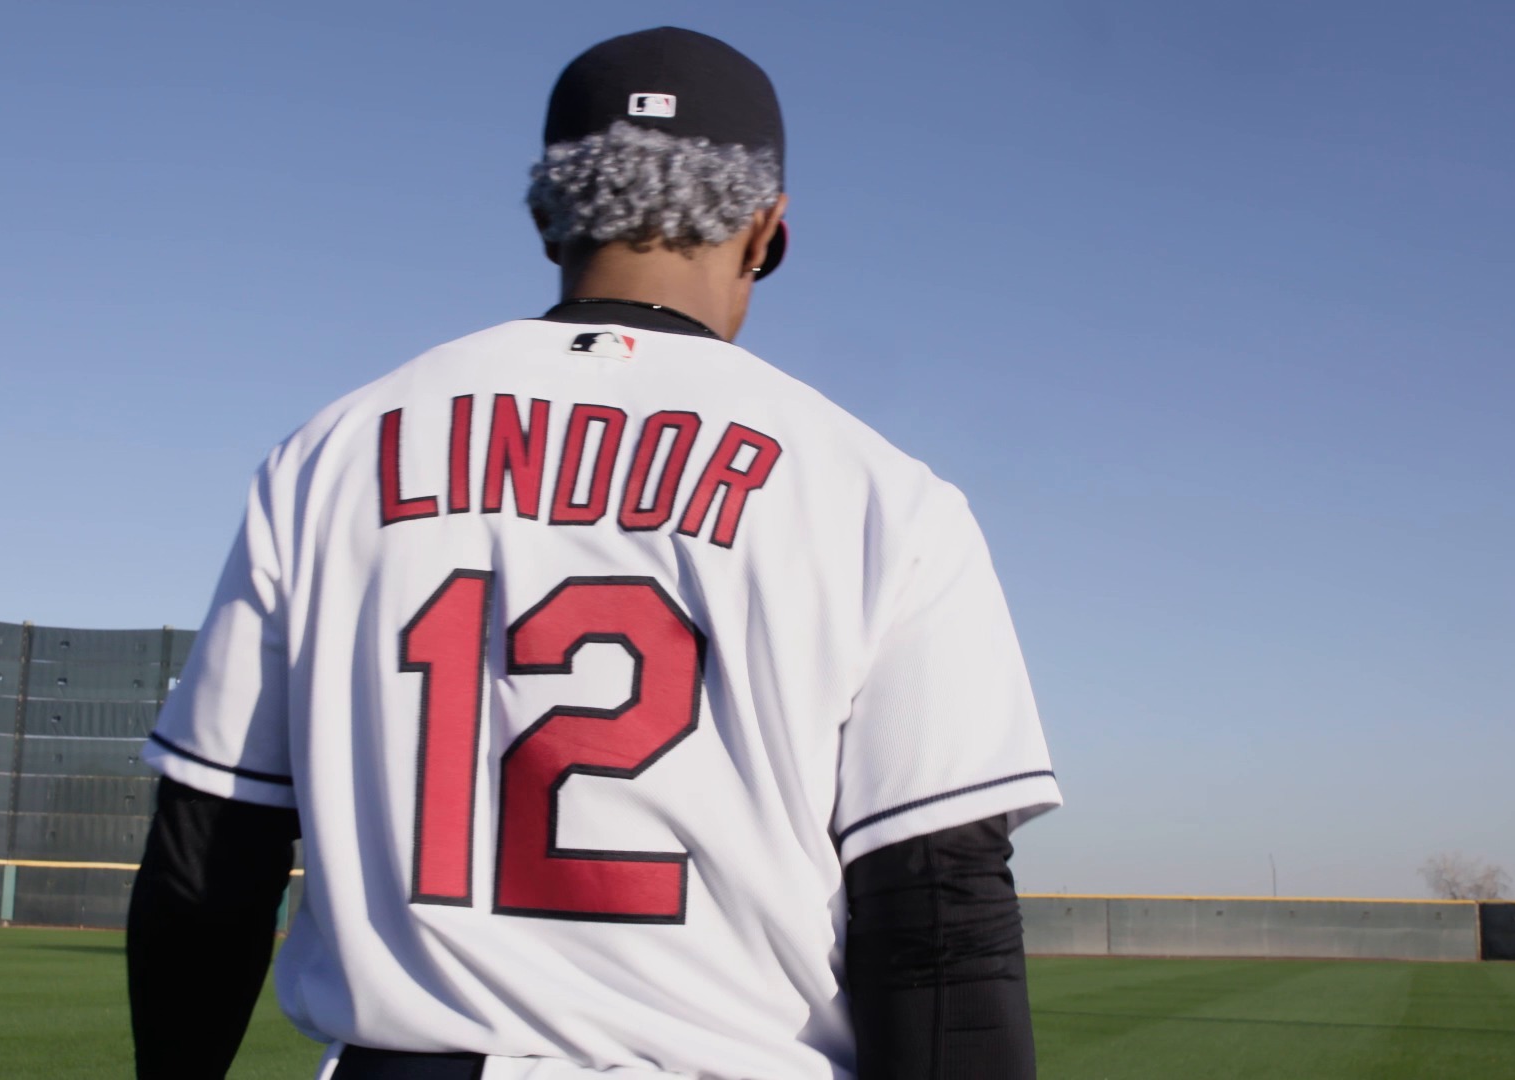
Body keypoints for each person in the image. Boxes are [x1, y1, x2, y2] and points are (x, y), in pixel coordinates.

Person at [127, 26, 1061, 1080]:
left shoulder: (335, 451)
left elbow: (208, 857)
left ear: (547, 215)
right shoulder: (881, 492)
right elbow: (938, 915)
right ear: (768, 232)